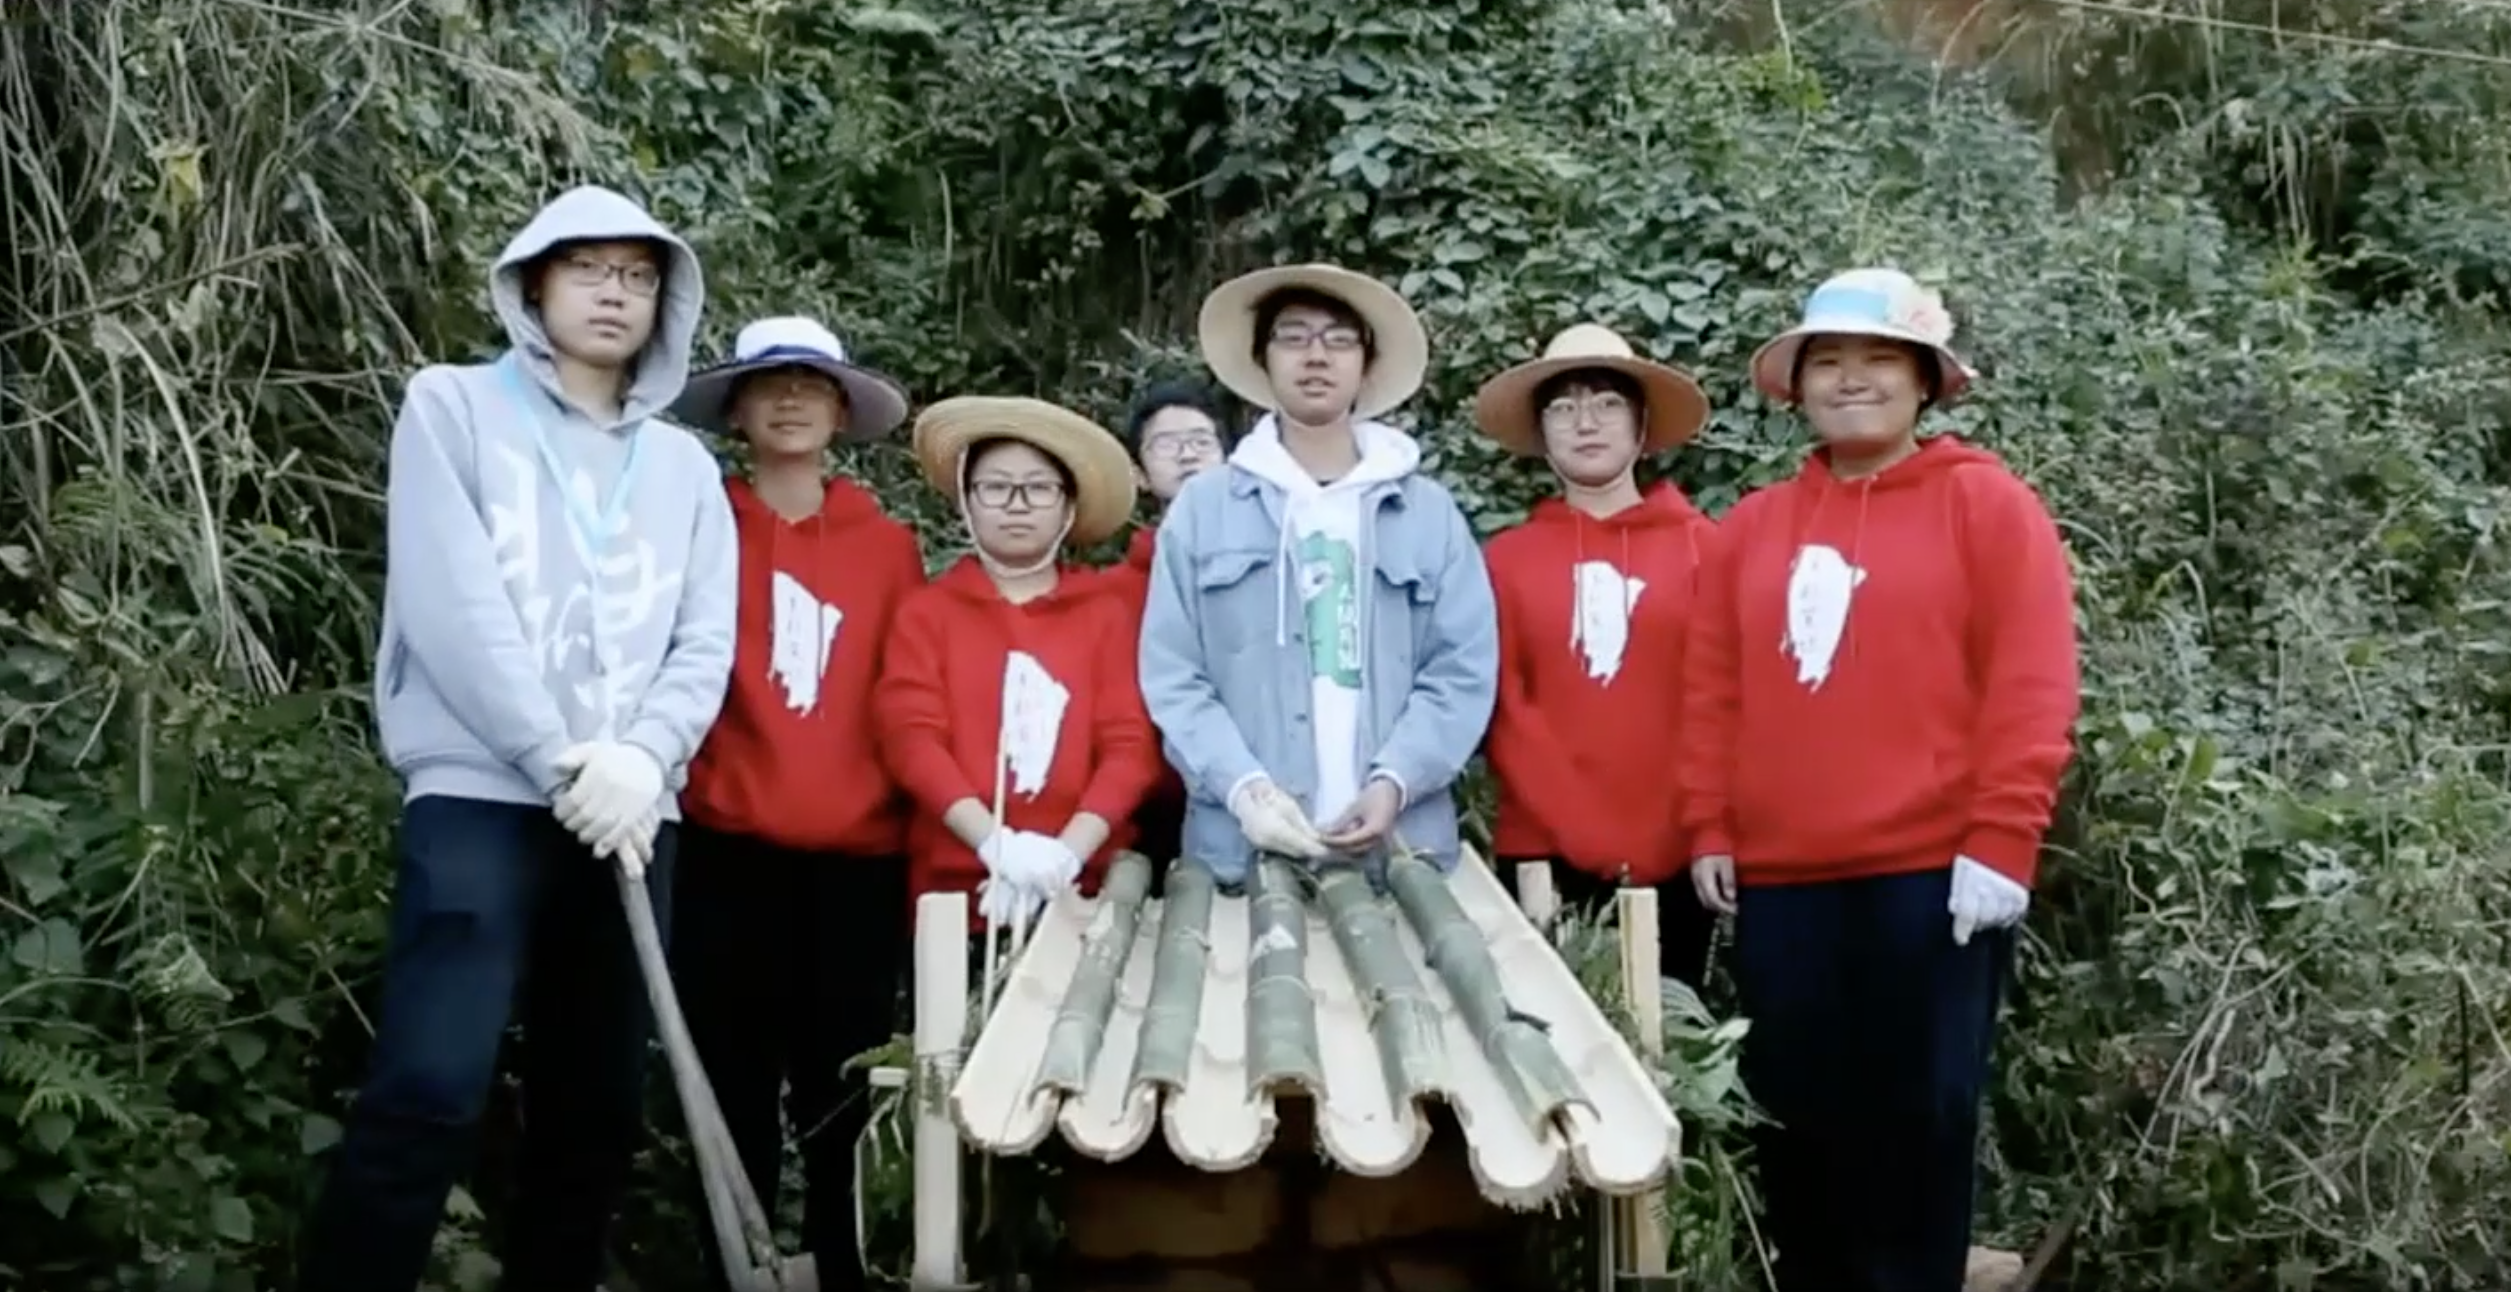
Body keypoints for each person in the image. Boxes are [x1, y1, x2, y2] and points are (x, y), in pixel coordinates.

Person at [301, 185, 737, 1292]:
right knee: (432, 1083)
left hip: (634, 809)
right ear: (533, 283)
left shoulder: (685, 468)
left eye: (637, 276)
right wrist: (554, 755)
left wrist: (645, 756)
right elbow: (454, 603)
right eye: (588, 268)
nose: (613, 293)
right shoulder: (451, 407)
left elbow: (705, 636)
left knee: (596, 1103)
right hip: (481, 795)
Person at [1677, 268, 2080, 1292]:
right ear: (1798, 385)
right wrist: (1710, 821)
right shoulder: (1754, 527)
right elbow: (1713, 687)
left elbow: (2031, 681)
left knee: (1920, 1111)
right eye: (1830, 363)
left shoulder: (1986, 505)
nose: (1852, 380)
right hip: (1785, 879)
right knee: (1797, 1108)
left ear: (1925, 381)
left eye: (1877, 361)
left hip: (1932, 874)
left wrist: (2002, 838)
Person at [663, 316, 921, 1291]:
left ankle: (845, 1268)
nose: (789, 399)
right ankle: (731, 1264)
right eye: (768, 384)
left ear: (841, 409)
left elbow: (908, 696)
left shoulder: (888, 547)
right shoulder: (698, 524)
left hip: (856, 859)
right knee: (725, 1084)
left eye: (812, 384)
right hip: (725, 848)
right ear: (736, 407)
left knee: (839, 1087)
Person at [1138, 263, 1497, 886]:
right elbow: (1174, 675)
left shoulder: (1428, 513)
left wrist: (1396, 782)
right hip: (1241, 859)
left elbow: (1460, 670)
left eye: (1338, 339)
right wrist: (1244, 790)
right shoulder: (1204, 510)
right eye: (1293, 336)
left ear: (1366, 363)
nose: (1316, 356)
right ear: (1262, 360)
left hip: (1403, 857)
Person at [1471, 324, 1718, 987]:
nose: (1585, 422)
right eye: (1562, 406)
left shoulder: (1706, 550)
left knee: (1668, 1057)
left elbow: (1720, 701)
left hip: (1679, 854)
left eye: (1607, 402)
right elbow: (1500, 705)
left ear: (1641, 426)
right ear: (1540, 432)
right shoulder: (1504, 561)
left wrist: (1689, 826)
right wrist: (1581, 826)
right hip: (1544, 852)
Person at [873, 396, 1163, 929]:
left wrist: (1068, 854)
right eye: (995, 486)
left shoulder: (1106, 615)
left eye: (1039, 487)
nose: (1017, 503)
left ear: (1067, 505)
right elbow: (911, 737)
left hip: (1087, 889)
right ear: (967, 499)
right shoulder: (928, 612)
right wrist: (994, 843)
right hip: (958, 889)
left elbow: (1130, 745)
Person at [1106, 379, 1235, 863]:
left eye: (1202, 441)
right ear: (1138, 472)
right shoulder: (1112, 593)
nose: (1187, 455)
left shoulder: (1271, 568)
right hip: (1148, 810)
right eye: (1166, 444)